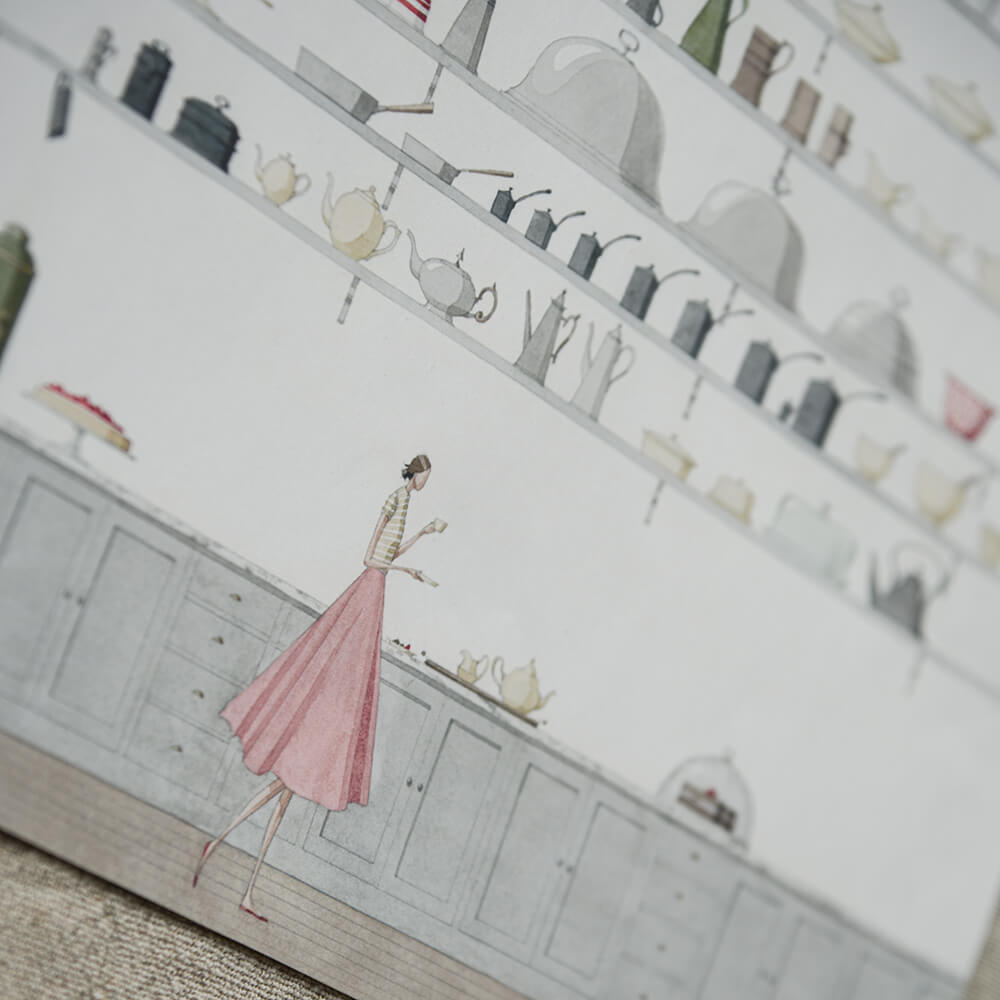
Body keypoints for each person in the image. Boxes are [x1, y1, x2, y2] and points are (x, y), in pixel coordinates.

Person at [192, 454, 438, 920]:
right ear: (416, 474)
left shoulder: (406, 507)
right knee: (282, 790)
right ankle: (232, 864)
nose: (427, 482)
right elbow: (371, 559)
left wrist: (416, 547)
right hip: (368, 590)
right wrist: (402, 570)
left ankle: (229, 860)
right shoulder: (395, 499)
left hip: (375, 590)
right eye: (426, 476)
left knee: (281, 795)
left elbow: (384, 557)